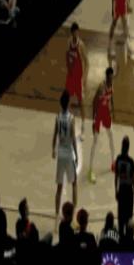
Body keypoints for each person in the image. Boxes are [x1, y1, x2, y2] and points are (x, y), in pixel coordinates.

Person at [52, 90, 78, 228]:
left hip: (60, 154)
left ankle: (57, 217)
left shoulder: (57, 117)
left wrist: (53, 149)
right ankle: (74, 217)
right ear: (68, 103)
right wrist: (77, 154)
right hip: (68, 154)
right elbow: (73, 138)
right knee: (74, 184)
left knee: (59, 187)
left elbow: (55, 134)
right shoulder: (71, 118)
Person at [88, 67, 116, 183]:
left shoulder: (112, 86)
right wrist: (93, 119)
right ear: (106, 76)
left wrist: (112, 111)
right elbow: (94, 101)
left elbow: (111, 99)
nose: (111, 79)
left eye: (112, 77)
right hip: (98, 114)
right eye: (109, 77)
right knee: (95, 141)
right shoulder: (101, 87)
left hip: (106, 113)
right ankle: (90, 170)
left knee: (111, 136)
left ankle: (113, 163)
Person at [65, 22, 89, 138]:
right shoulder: (69, 42)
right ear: (71, 32)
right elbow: (67, 56)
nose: (76, 34)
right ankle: (69, 126)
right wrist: (68, 69)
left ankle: (83, 128)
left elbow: (87, 63)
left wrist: (84, 79)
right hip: (71, 76)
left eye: (77, 32)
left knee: (81, 103)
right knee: (67, 101)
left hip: (79, 77)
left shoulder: (81, 45)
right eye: (74, 32)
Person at [115, 136, 134, 238]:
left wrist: (116, 191)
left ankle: (121, 238)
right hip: (129, 192)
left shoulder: (118, 159)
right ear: (128, 148)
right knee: (128, 218)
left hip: (121, 189)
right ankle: (128, 238)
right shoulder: (131, 162)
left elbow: (116, 177)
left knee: (120, 218)